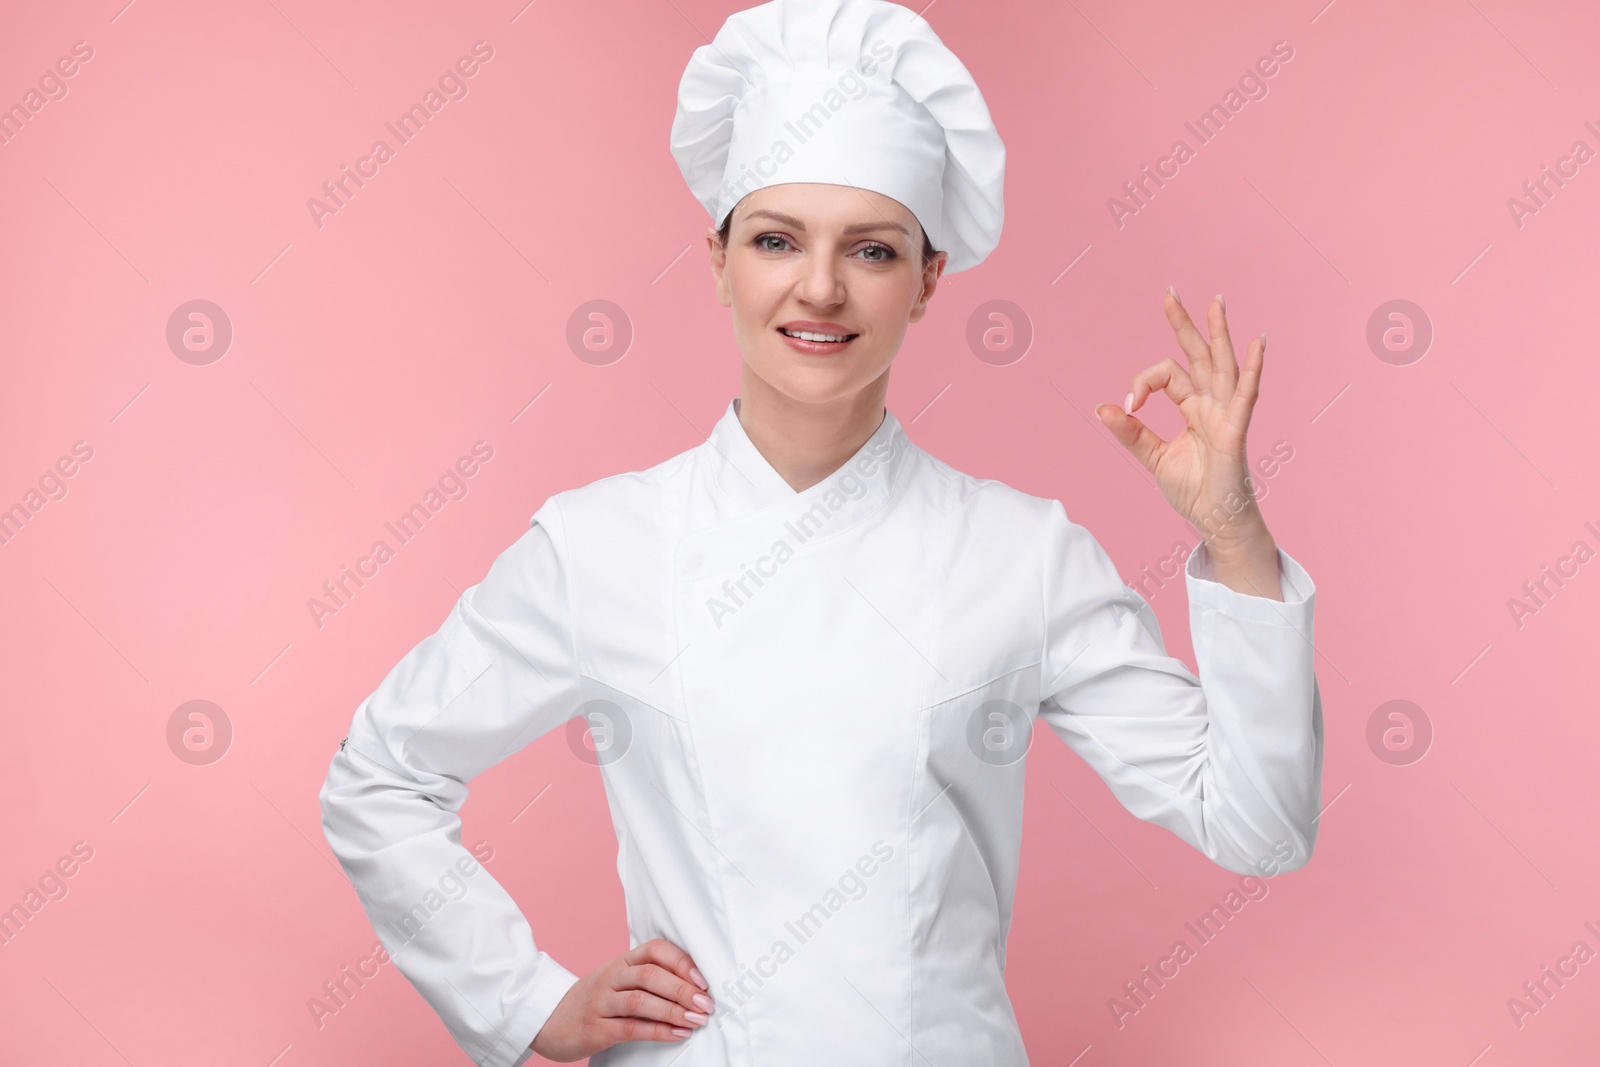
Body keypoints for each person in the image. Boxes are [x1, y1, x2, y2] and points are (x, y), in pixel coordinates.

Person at [318, 0, 1324, 1064]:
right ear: (717, 260)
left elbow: (1258, 826)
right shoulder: (601, 543)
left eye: (873, 249)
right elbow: (377, 776)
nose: (819, 286)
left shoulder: (1019, 554)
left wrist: (1232, 528)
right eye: (775, 239)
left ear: (928, 280)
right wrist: (522, 998)